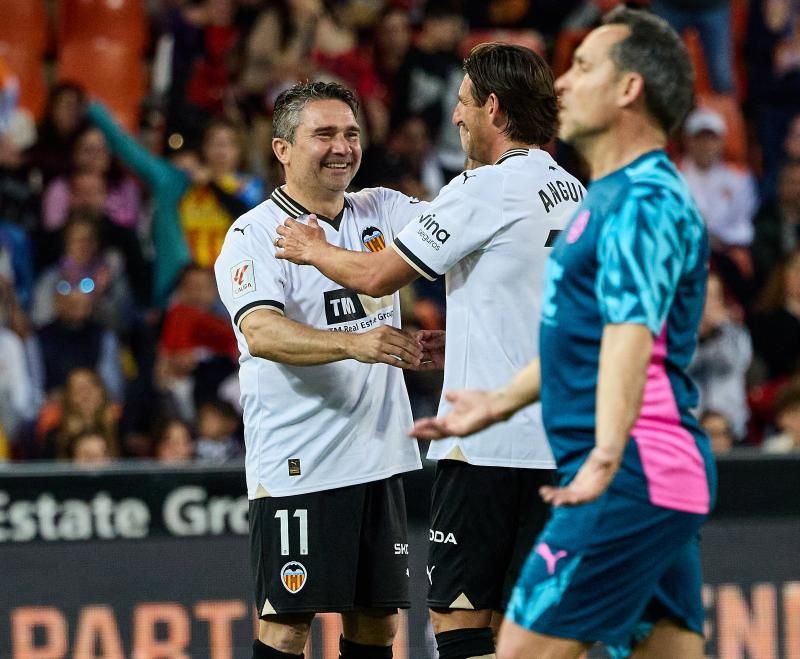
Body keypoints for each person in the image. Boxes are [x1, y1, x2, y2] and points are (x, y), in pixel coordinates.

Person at [409, 9, 717, 658]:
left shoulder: (640, 201)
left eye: (583, 67)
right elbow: (576, 341)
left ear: (628, 89)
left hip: (633, 465)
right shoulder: (601, 195)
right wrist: (498, 401)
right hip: (650, 464)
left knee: (524, 648)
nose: (564, 86)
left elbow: (627, 338)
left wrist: (603, 455)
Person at [275, 43, 585, 659]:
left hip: (489, 448)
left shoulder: (485, 188)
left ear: (493, 109)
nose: (456, 117)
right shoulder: (571, 189)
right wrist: (469, 336)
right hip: (562, 443)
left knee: (460, 623)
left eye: (464, 103)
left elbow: (377, 276)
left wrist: (311, 248)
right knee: (532, 633)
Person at [213, 81, 426, 659]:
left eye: (352, 133)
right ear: (282, 149)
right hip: (299, 461)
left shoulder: (383, 208)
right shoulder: (252, 234)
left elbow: (459, 227)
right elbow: (261, 332)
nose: (343, 147)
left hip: (380, 459)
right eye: (325, 134)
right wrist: (356, 343)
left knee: (378, 624)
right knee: (287, 627)